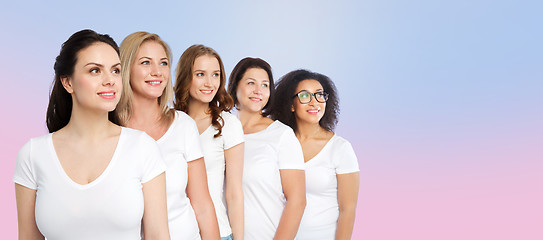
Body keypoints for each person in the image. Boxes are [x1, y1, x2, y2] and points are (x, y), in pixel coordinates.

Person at [13, 29, 170, 240]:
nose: (110, 80)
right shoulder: (33, 154)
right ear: (67, 82)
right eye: (95, 71)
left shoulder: (142, 148)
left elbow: (158, 235)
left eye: (115, 70)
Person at [116, 33, 219, 240]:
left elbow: (203, 205)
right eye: (146, 62)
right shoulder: (110, 130)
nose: (157, 72)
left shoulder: (183, 126)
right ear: (126, 69)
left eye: (163, 63)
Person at [271, 69, 360, 240]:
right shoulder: (278, 143)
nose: (314, 103)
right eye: (305, 96)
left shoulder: (340, 148)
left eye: (320, 95)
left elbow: (347, 210)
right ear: (291, 104)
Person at [227, 57, 306, 240]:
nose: (258, 91)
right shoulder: (221, 132)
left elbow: (297, 201)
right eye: (251, 83)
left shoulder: (281, 135)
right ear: (235, 86)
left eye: (264, 85)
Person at [174, 45, 244, 240]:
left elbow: (234, 193)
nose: (209, 83)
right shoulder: (172, 122)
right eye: (200, 74)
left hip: (218, 233)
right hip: (177, 232)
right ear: (186, 77)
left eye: (215, 75)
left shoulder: (227, 124)